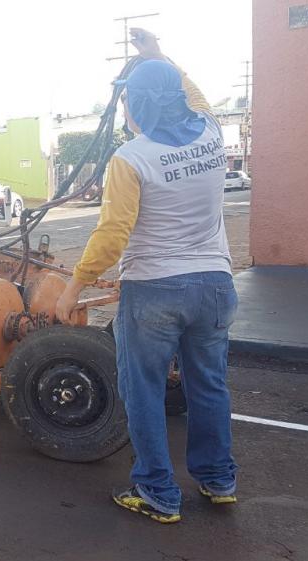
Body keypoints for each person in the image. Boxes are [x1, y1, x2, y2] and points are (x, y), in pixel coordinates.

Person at [56, 29, 238, 524]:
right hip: (215, 286)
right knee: (209, 387)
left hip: (155, 289)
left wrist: (74, 286)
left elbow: (113, 235)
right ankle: (218, 480)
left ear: (136, 103)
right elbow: (193, 93)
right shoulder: (211, 132)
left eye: (129, 101)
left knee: (144, 392)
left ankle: (158, 492)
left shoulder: (132, 158)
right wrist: (161, 57)